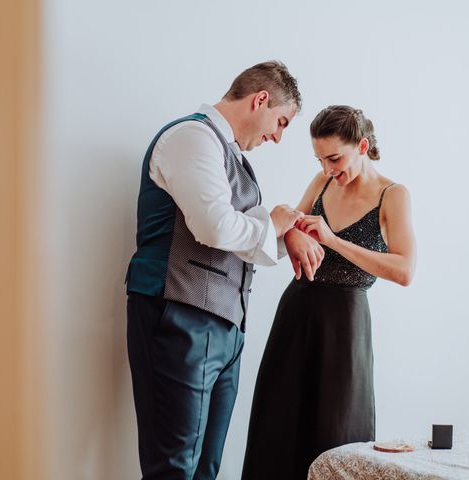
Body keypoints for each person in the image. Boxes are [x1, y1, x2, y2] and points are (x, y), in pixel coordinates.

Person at [125, 61, 323, 480]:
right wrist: (275, 221)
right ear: (261, 100)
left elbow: (241, 239)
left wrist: (286, 233)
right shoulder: (193, 137)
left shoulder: (225, 151)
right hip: (179, 315)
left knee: (206, 469)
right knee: (174, 468)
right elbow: (214, 225)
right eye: (280, 122)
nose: (277, 136)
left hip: (224, 328)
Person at [241, 105, 417, 480]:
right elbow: (289, 226)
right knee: (278, 427)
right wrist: (291, 235)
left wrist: (334, 241)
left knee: (338, 434)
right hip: (297, 312)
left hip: (346, 325)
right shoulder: (320, 184)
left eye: (334, 158)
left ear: (363, 146)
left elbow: (404, 271)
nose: (326, 170)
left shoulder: (393, 195)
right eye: (320, 159)